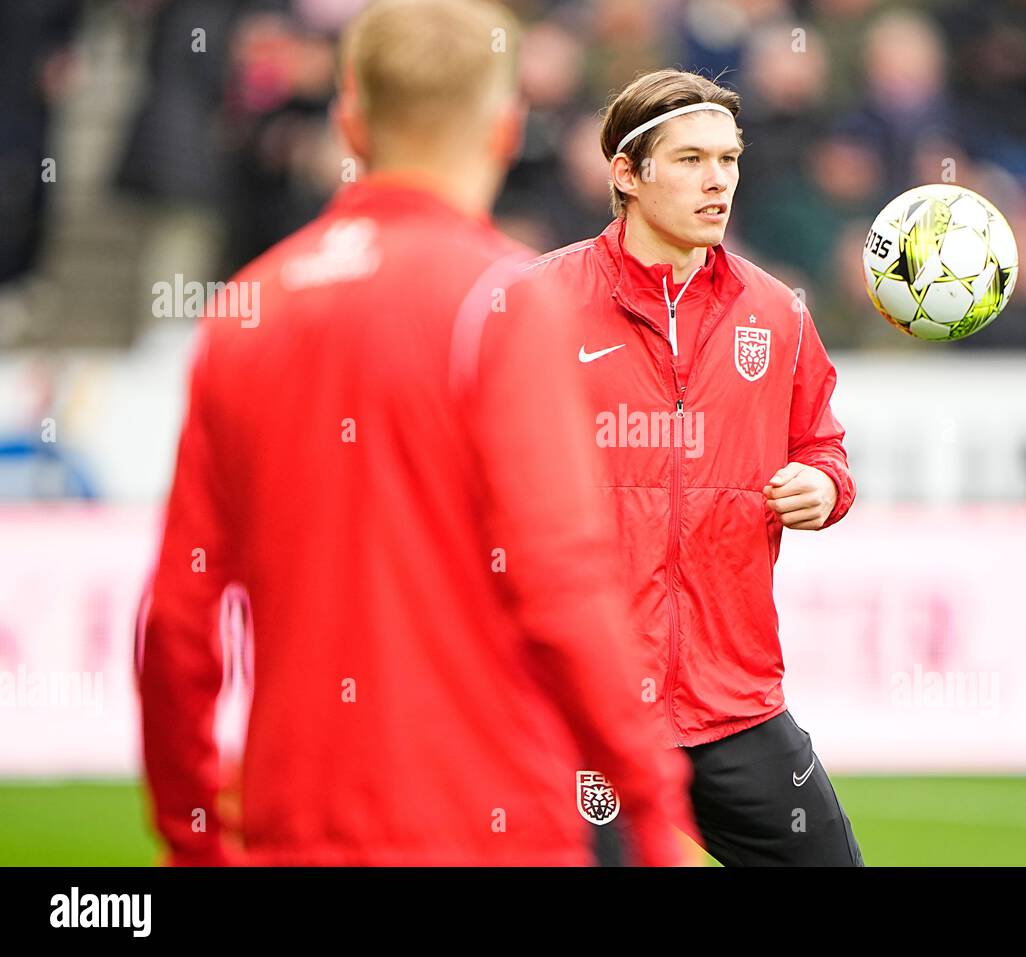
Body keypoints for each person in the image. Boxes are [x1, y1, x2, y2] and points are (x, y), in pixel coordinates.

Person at [138, 0, 694, 867]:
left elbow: (176, 617)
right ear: (507, 130)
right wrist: (651, 809)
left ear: (350, 119)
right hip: (486, 823)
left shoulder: (248, 308)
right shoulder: (501, 302)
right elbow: (562, 584)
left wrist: (190, 833)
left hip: (296, 821)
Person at [524, 69, 864, 866]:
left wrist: (824, 484)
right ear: (626, 173)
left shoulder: (779, 310)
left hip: (733, 703)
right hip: (584, 706)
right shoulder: (537, 305)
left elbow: (821, 442)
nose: (718, 181)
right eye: (689, 160)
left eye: (729, 159)